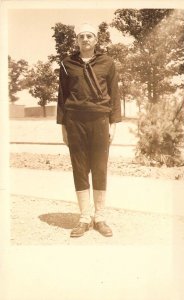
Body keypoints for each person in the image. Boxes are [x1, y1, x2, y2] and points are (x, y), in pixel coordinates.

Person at [57, 23, 121, 238]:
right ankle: (85, 217)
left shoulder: (108, 62)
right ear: (77, 40)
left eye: (89, 36)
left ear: (95, 40)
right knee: (80, 168)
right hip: (75, 120)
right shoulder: (67, 64)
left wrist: (113, 124)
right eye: (81, 36)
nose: (85, 39)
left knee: (100, 168)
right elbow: (62, 97)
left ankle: (100, 217)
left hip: (100, 120)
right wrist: (63, 126)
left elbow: (114, 93)